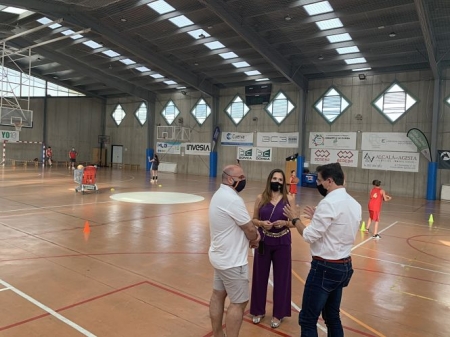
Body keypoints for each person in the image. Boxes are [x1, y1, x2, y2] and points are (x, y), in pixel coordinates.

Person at [283, 162, 361, 337]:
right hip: (344, 265)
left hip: (325, 267)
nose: (317, 183)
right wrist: (317, 217)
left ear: (329, 181)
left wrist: (295, 219)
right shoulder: (354, 204)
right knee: (332, 316)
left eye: (319, 180)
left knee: (308, 319)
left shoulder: (328, 203)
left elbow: (310, 236)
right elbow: (338, 228)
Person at [208, 164, 261, 337]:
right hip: (232, 262)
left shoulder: (219, 194)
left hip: (220, 257)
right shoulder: (232, 199)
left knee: (218, 295)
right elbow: (250, 229)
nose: (244, 180)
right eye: (241, 178)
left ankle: (217, 334)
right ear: (231, 179)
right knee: (239, 303)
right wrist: (256, 239)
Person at [250, 169, 295, 328]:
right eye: (275, 178)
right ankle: (257, 310)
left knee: (282, 279)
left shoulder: (289, 198)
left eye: (280, 180)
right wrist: (261, 224)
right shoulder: (260, 198)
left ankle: (279, 313)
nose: (277, 181)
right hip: (264, 241)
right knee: (259, 276)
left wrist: (285, 223)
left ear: (283, 183)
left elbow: (293, 222)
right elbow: (254, 219)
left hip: (283, 241)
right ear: (270, 180)